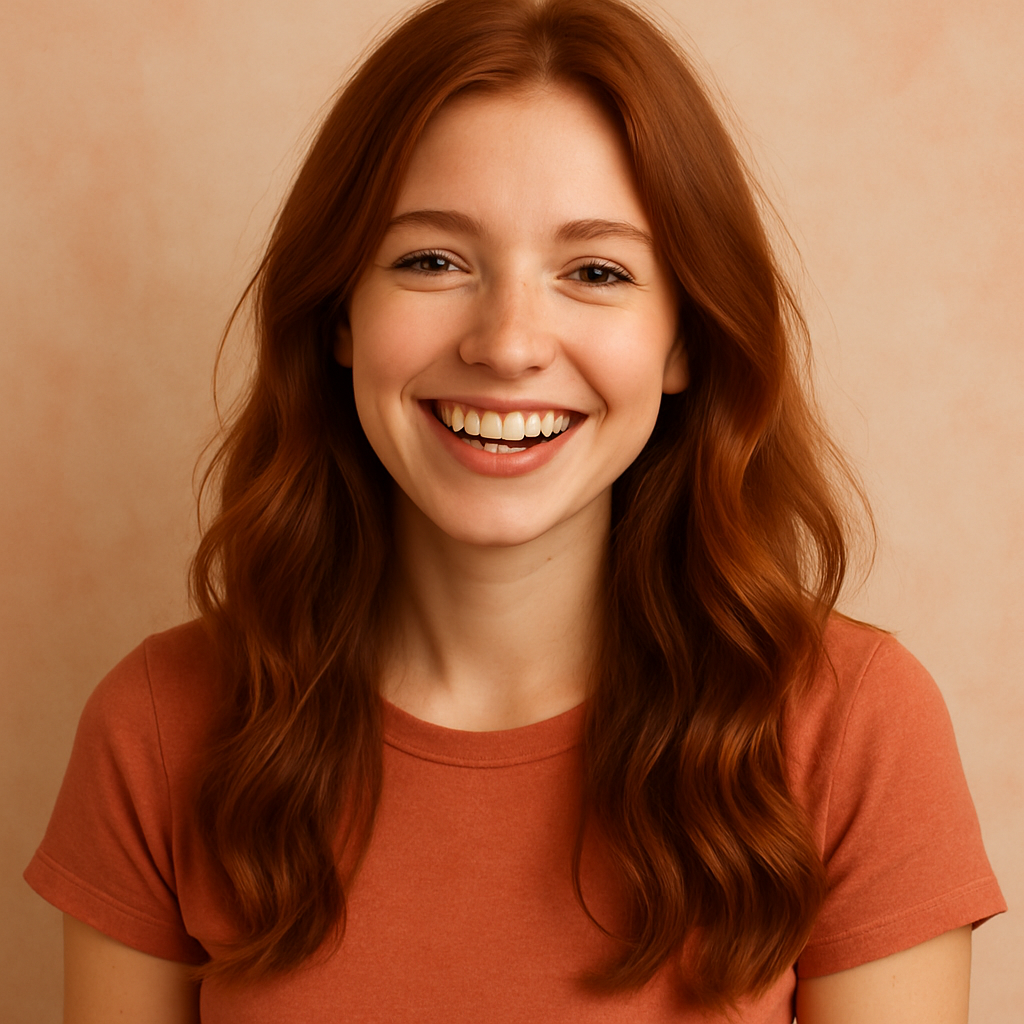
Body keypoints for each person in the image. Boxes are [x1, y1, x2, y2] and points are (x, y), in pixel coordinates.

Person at [25, 0, 1005, 1020]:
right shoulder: (156, 728)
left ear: (683, 342)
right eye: (432, 260)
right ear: (338, 318)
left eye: (595, 271)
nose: (507, 343)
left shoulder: (852, 730)